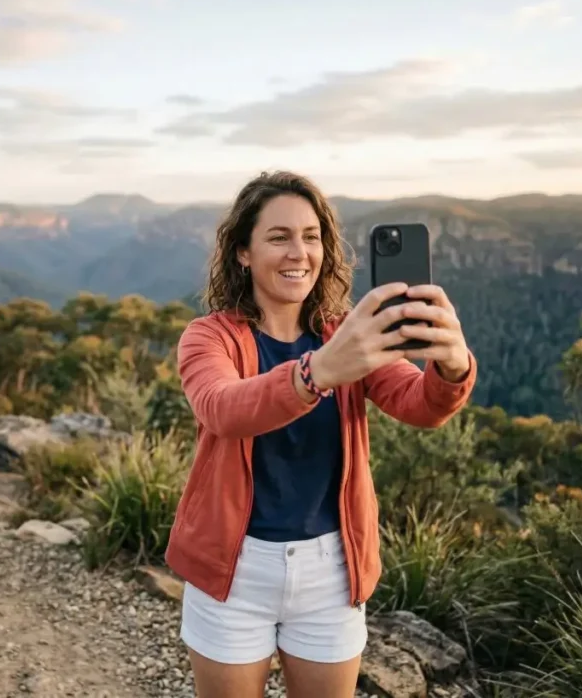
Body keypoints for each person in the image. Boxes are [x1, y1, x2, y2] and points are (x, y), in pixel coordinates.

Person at [165, 171, 477, 698]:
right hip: (233, 571)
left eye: (311, 237)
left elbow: (419, 405)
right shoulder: (209, 337)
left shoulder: (345, 335)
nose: (299, 252)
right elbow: (222, 409)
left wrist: (451, 364)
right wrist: (317, 373)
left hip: (331, 570)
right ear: (243, 252)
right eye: (279, 237)